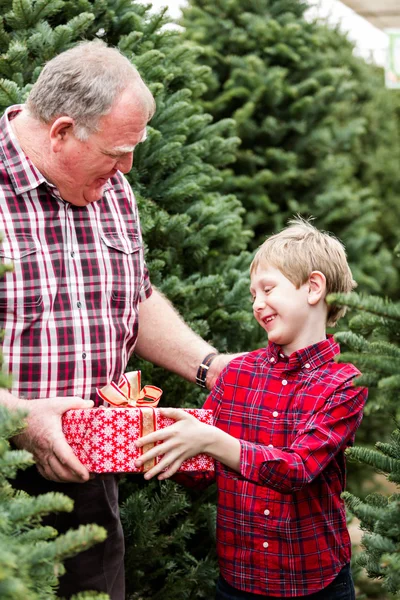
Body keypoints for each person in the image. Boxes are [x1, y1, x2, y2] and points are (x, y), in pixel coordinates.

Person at [0, 40, 235, 600]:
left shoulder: (110, 188)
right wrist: (17, 417)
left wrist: (211, 366)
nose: (129, 166)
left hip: (82, 472)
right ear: (60, 132)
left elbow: (133, 296)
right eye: (118, 150)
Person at [135, 218, 368, 600]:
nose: (257, 304)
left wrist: (211, 439)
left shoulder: (343, 384)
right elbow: (202, 470)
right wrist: (150, 436)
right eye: (252, 294)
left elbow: (298, 469)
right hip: (239, 581)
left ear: (313, 288)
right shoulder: (237, 373)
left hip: (314, 583)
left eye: (268, 289)